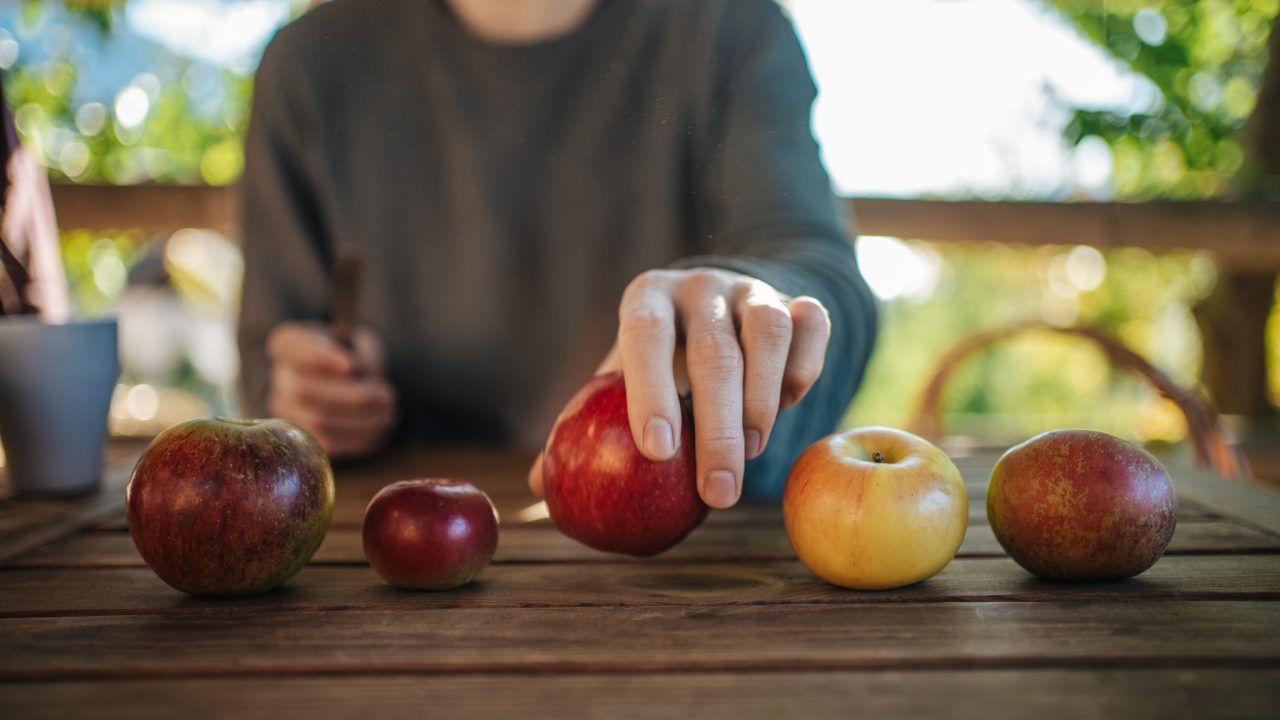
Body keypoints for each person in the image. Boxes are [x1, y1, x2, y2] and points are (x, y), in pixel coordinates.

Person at [237, 0, 877, 508]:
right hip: (378, 562)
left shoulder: (732, 28)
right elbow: (268, 353)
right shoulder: (310, 65)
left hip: (694, 567)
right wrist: (307, 397)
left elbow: (825, 277)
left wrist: (744, 295)